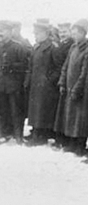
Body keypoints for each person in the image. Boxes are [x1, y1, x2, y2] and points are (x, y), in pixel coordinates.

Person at [0, 21, 30, 145]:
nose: (1, 33)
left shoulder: (18, 47)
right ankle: (2, 133)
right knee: (1, 111)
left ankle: (18, 136)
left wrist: (12, 66)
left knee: (16, 111)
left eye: (3, 31)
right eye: (0, 31)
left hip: (14, 85)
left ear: (10, 32)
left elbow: (25, 65)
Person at [53, 19, 88, 155]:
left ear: (83, 33)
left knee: (80, 120)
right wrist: (62, 82)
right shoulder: (73, 48)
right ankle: (72, 144)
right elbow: (65, 66)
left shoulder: (86, 50)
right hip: (69, 88)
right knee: (70, 118)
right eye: (73, 33)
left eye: (76, 33)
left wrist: (77, 89)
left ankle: (80, 145)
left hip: (81, 91)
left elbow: (84, 74)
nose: (74, 35)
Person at [24, 20, 61, 146]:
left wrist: (48, 80)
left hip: (46, 87)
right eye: (35, 34)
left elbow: (58, 68)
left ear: (45, 33)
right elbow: (31, 66)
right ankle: (35, 131)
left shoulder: (52, 48)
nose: (35, 36)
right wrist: (28, 81)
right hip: (35, 84)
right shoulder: (36, 47)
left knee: (42, 111)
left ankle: (40, 136)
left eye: (38, 33)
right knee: (35, 110)